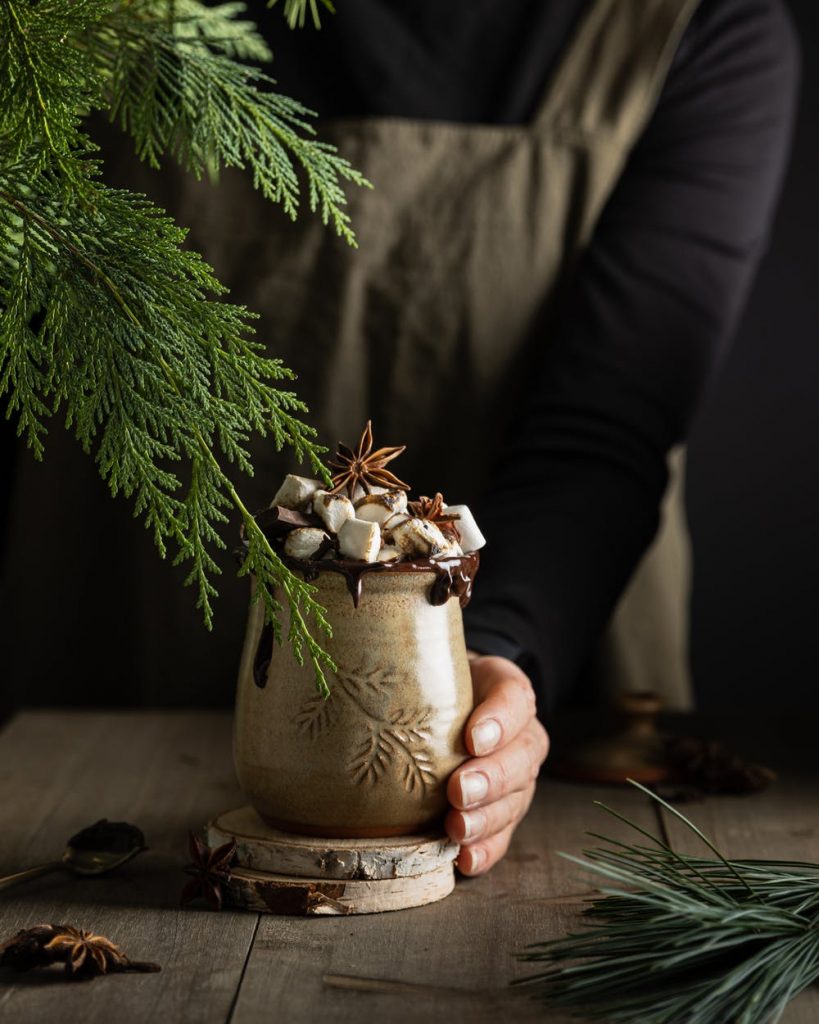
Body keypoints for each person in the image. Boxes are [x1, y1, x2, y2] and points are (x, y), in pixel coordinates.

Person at [0, 0, 799, 876]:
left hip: (531, 650)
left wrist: (487, 658)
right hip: (123, 635)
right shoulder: (82, 16)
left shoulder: (697, 25)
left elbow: (604, 424)